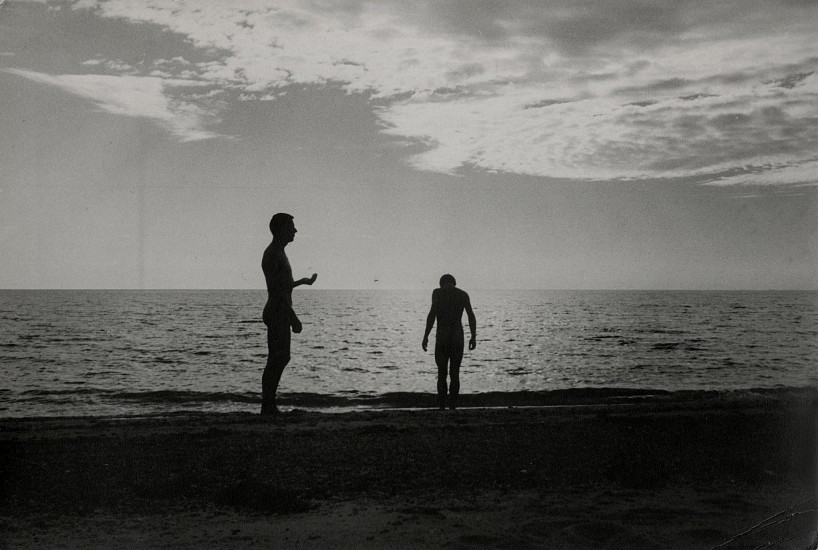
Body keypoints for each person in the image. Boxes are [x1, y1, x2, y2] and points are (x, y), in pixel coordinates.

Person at [261, 213, 317, 415]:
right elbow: (277, 291)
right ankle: (268, 406)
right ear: (281, 229)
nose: (295, 230)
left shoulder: (278, 252)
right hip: (278, 311)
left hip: (279, 310)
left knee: (280, 358)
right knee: (277, 358)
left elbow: (283, 285)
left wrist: (301, 282)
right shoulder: (274, 254)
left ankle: (269, 404)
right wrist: (293, 317)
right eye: (291, 227)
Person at [422, 274, 476, 410]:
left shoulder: (437, 293)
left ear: (441, 283)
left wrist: (426, 335)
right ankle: (452, 406)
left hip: (442, 336)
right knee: (455, 373)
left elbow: (432, 314)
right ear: (454, 283)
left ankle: (441, 406)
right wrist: (473, 336)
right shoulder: (463, 294)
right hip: (457, 336)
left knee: (442, 373)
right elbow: (471, 315)